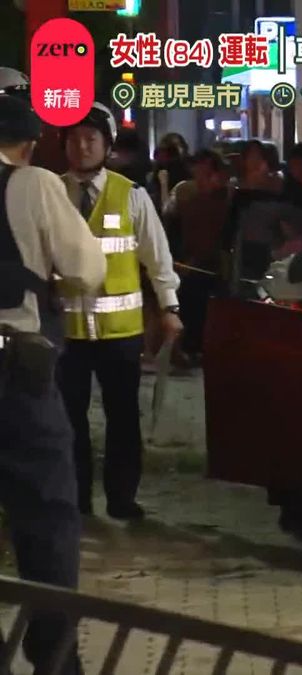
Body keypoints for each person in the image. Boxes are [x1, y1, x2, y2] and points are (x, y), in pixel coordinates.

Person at [0, 85, 105, 675]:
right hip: (16, 374)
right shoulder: (33, 184)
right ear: (31, 142)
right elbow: (86, 270)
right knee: (46, 520)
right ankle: (54, 658)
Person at [59, 102, 182, 521]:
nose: (81, 146)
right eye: (74, 138)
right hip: (66, 332)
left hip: (120, 332)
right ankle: (76, 500)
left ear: (107, 145)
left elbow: (157, 257)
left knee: (123, 419)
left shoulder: (131, 196)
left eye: (91, 139)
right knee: (67, 420)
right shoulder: (50, 193)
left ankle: (121, 498)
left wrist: (169, 307)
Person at [164, 149, 233, 366]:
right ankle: (188, 347)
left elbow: (214, 236)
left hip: (212, 265)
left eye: (206, 171)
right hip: (188, 261)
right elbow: (171, 223)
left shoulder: (225, 197)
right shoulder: (186, 192)